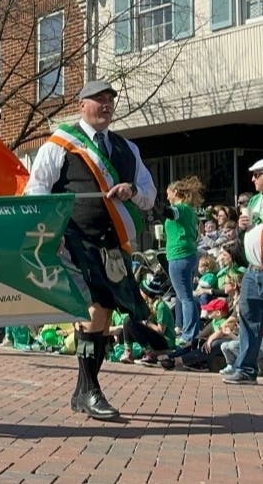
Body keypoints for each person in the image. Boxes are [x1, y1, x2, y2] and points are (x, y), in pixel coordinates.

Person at [25, 79, 157, 420]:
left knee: (104, 314)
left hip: (113, 245)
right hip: (74, 241)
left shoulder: (127, 149)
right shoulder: (60, 144)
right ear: (82, 104)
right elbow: (36, 191)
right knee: (94, 310)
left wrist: (131, 191)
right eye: (98, 99)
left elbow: (149, 195)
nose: (106, 104)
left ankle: (83, 391)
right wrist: (49, 234)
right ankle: (91, 390)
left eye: (110, 99)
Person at [222, 159, 263, 384]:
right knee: (248, 320)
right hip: (252, 270)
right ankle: (246, 370)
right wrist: (241, 226)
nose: (253, 179)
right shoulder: (255, 201)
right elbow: (246, 233)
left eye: (257, 174)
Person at [162, 176, 204, 348]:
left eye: (168, 193)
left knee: (185, 297)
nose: (167, 197)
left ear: (175, 192)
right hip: (189, 254)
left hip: (179, 255)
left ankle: (189, 334)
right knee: (186, 296)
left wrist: (153, 206)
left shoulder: (179, 208)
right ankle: (190, 330)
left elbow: (170, 213)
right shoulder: (190, 210)